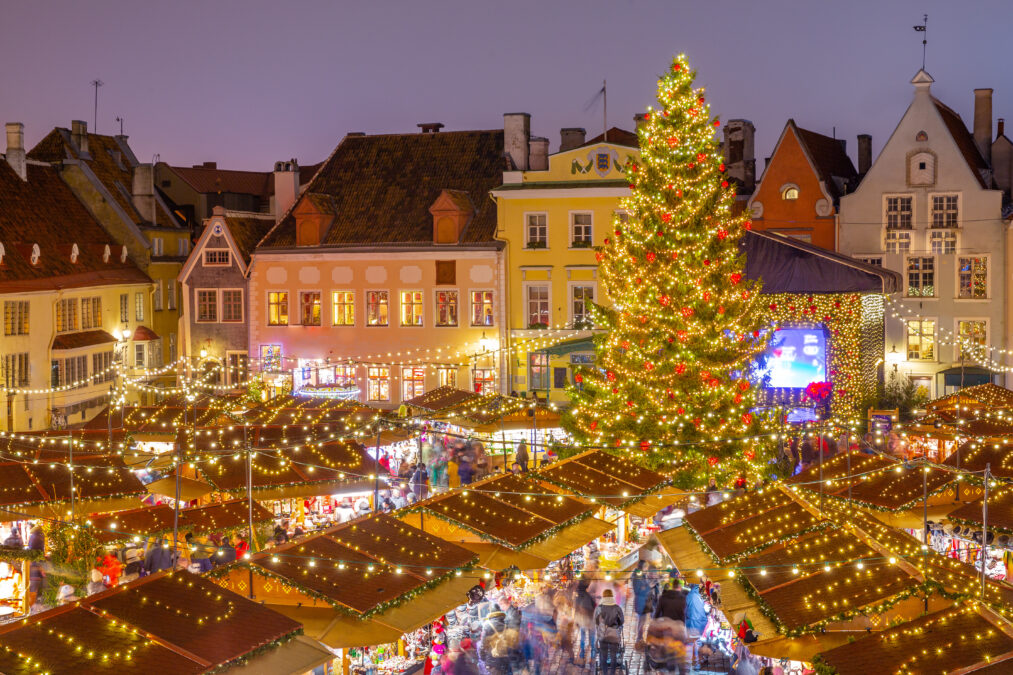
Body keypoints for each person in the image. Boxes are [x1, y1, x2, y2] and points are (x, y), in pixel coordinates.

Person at [593, 588, 624, 675]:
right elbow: (622, 620)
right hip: (614, 634)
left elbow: (596, 621)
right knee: (613, 656)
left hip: (603, 634)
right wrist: (617, 625)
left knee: (603, 655)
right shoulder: (617, 608)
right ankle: (612, 673)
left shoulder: (599, 608)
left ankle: (605, 673)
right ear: (612, 596)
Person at [573, 577, 596, 665]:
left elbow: (575, 609)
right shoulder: (589, 596)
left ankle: (582, 657)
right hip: (590, 621)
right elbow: (593, 608)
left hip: (582, 621)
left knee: (582, 639)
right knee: (592, 639)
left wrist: (576, 621)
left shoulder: (577, 597)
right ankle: (592, 658)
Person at [631, 560, 655, 644]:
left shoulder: (642, 575)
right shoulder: (637, 576)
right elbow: (637, 591)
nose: (647, 569)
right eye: (646, 567)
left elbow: (643, 587)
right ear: (642, 567)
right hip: (641, 603)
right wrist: (649, 587)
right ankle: (639, 639)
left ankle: (640, 638)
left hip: (645, 602)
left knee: (643, 622)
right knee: (641, 622)